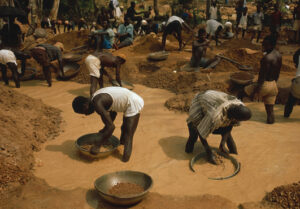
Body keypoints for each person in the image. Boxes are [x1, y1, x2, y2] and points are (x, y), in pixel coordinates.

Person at [72, 87, 144, 162]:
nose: (86, 115)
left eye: (84, 112)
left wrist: (97, 145)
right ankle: (121, 145)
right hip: (129, 100)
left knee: (128, 134)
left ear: (85, 104)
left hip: (134, 102)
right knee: (124, 128)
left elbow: (112, 127)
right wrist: (105, 128)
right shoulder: (95, 97)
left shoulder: (97, 103)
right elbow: (113, 113)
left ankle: (125, 161)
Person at [185, 90, 251, 165]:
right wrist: (208, 151)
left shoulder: (239, 105)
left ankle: (233, 153)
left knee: (227, 135)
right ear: (234, 117)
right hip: (201, 103)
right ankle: (188, 153)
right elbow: (200, 132)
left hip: (214, 101)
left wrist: (222, 143)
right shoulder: (215, 116)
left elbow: (230, 125)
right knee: (193, 134)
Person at [244, 35, 281, 124]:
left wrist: (255, 92)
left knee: (241, 93)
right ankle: (270, 123)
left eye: (265, 45)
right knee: (270, 111)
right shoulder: (279, 55)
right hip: (273, 85)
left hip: (264, 85)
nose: (263, 47)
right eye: (263, 45)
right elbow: (277, 73)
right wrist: (274, 84)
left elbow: (262, 76)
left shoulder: (266, 58)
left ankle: (235, 117)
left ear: (271, 45)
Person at [284, 48, 300, 118]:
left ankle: (286, 116)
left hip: (298, 81)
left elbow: (295, 56)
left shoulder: (298, 53)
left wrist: (297, 64)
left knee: (291, 100)